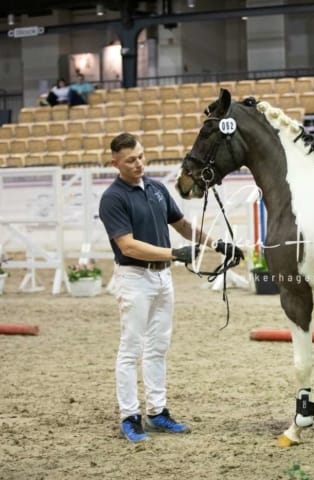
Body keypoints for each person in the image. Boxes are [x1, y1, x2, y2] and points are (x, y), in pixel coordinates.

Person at [99, 132, 242, 443]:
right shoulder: (112, 198)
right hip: (134, 278)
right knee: (130, 349)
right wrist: (174, 253)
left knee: (157, 347)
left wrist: (218, 244)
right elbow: (128, 246)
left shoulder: (156, 188)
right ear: (115, 164)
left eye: (140, 156)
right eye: (130, 160)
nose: (138, 164)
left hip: (163, 278)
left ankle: (157, 411)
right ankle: (129, 416)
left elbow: (182, 225)